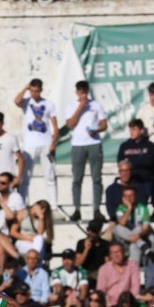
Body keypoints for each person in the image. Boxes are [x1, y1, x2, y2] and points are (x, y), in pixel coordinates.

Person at [64, 80, 107, 221]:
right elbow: (70, 124)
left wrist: (96, 130)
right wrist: (80, 107)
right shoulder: (71, 106)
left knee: (97, 178)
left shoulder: (96, 105)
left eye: (85, 92)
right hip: (77, 145)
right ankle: (77, 209)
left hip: (94, 143)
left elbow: (104, 124)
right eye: (80, 92)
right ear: (77, 92)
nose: (83, 94)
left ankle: (96, 210)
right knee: (77, 178)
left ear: (88, 91)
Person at [13, 79, 60, 203]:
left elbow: (55, 127)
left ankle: (54, 206)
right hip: (30, 145)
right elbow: (16, 101)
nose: (35, 94)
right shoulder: (26, 102)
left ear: (41, 90)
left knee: (50, 176)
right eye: (32, 91)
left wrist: (53, 143)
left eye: (37, 91)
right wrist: (25, 88)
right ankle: (23, 205)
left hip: (46, 144)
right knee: (25, 177)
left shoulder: (49, 104)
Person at [117, 118, 154, 210]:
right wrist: (140, 161)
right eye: (130, 129)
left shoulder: (149, 145)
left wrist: (131, 162)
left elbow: (150, 162)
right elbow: (120, 162)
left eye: (134, 129)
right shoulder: (125, 146)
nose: (131, 132)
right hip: (130, 182)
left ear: (141, 130)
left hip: (146, 180)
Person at [97, 241, 139, 306]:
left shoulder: (132, 265)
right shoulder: (104, 269)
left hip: (128, 303)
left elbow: (135, 287)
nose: (116, 255)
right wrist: (107, 302)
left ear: (123, 252)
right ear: (110, 255)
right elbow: (101, 291)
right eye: (113, 253)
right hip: (110, 304)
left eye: (118, 252)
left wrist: (129, 301)